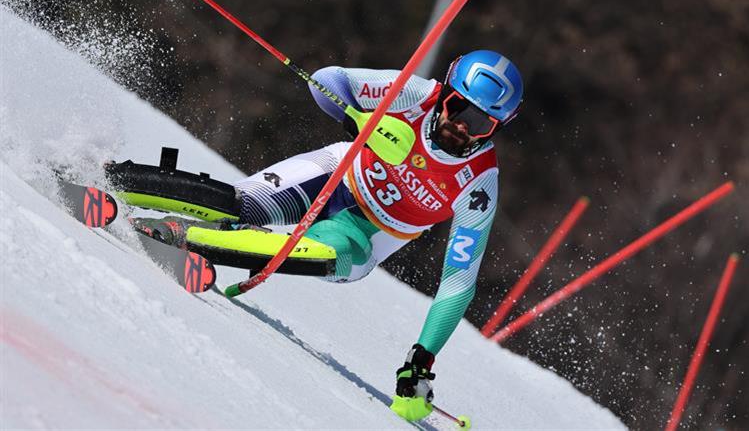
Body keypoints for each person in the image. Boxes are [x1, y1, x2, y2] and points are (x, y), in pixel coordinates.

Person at [136, 49, 523, 421]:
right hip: (335, 173)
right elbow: (328, 80)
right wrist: (358, 119)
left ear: (496, 129)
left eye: (480, 123)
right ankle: (125, 182)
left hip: (362, 234)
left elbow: (458, 283)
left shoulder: (479, 183)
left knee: (320, 253)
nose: (461, 126)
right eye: (458, 108)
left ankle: (186, 236)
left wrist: (421, 359)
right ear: (445, 94)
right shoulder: (417, 94)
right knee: (240, 205)